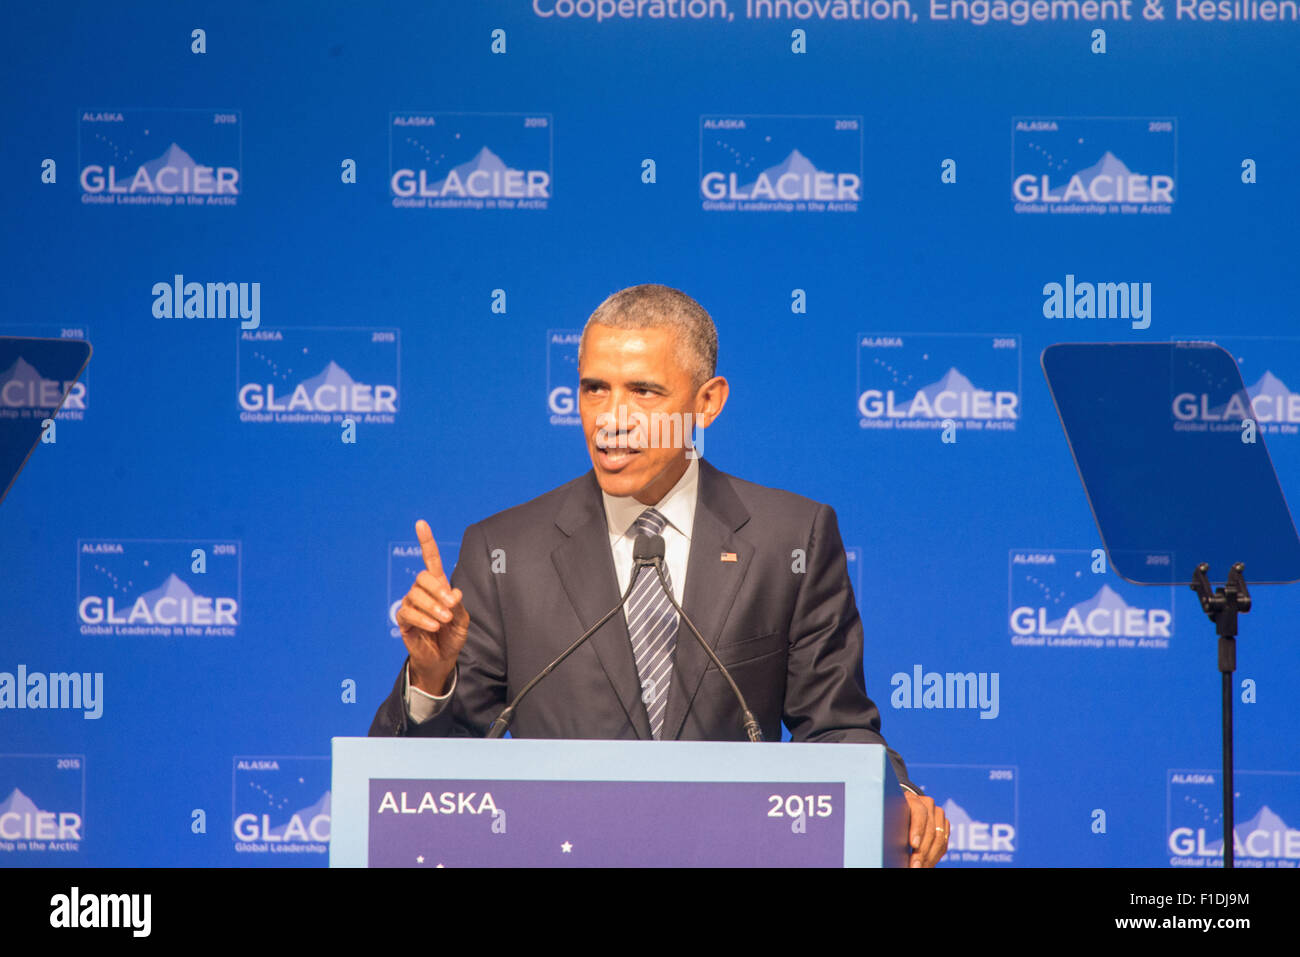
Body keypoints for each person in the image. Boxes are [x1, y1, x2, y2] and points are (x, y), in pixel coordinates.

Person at [369, 283, 949, 866]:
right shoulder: (505, 550)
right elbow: (436, 785)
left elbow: (834, 725)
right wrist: (431, 677)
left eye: (643, 391)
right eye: (595, 389)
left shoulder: (790, 538)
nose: (612, 420)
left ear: (708, 402)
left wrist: (895, 798)